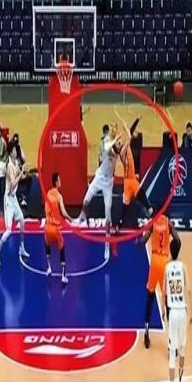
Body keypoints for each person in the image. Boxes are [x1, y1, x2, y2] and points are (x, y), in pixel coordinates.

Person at [75, 123, 124, 259]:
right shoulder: (107, 146)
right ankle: (81, 217)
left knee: (108, 214)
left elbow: (122, 144)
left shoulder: (116, 153)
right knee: (85, 201)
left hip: (108, 183)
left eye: (119, 144)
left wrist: (123, 135)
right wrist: (115, 136)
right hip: (99, 177)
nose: (119, 145)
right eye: (118, 144)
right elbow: (108, 147)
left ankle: (107, 242)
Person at [140, 212, 180, 349]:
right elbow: (177, 240)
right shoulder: (168, 223)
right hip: (165, 263)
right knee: (168, 301)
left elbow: (143, 241)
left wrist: (138, 243)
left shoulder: (153, 223)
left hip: (155, 262)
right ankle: (171, 339)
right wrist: (174, 256)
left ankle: (146, 333)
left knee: (150, 298)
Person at [162, 239, 192, 382]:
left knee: (172, 353)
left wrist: (163, 311)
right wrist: (191, 314)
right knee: (182, 350)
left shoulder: (167, 268)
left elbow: (164, 293)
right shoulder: (183, 267)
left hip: (173, 312)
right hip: (183, 311)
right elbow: (189, 290)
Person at [0, 141, 29, 267]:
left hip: (14, 199)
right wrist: (20, 174)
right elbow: (13, 184)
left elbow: (19, 178)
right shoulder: (9, 166)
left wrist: (23, 174)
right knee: (9, 230)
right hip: (8, 200)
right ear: (10, 152)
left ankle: (21, 248)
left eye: (15, 150)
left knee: (22, 221)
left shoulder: (16, 163)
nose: (15, 152)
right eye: (13, 150)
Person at [119, 120, 152, 230]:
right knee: (125, 205)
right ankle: (120, 223)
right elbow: (129, 135)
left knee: (140, 192)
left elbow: (130, 132)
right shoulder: (122, 152)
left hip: (132, 179)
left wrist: (136, 121)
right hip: (127, 182)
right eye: (119, 144)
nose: (120, 143)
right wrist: (125, 126)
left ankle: (149, 207)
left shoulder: (126, 147)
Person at [45, 172, 73, 284]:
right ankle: (63, 276)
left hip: (47, 227)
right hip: (55, 229)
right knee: (62, 249)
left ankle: (49, 268)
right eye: (59, 180)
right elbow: (64, 213)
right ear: (56, 182)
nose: (61, 182)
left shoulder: (48, 194)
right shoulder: (59, 196)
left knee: (47, 246)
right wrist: (71, 219)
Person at [12, 133, 30, 207]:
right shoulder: (11, 153)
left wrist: (21, 159)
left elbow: (24, 160)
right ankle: (17, 196)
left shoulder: (20, 149)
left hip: (20, 172)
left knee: (29, 178)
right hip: (14, 174)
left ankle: (23, 195)